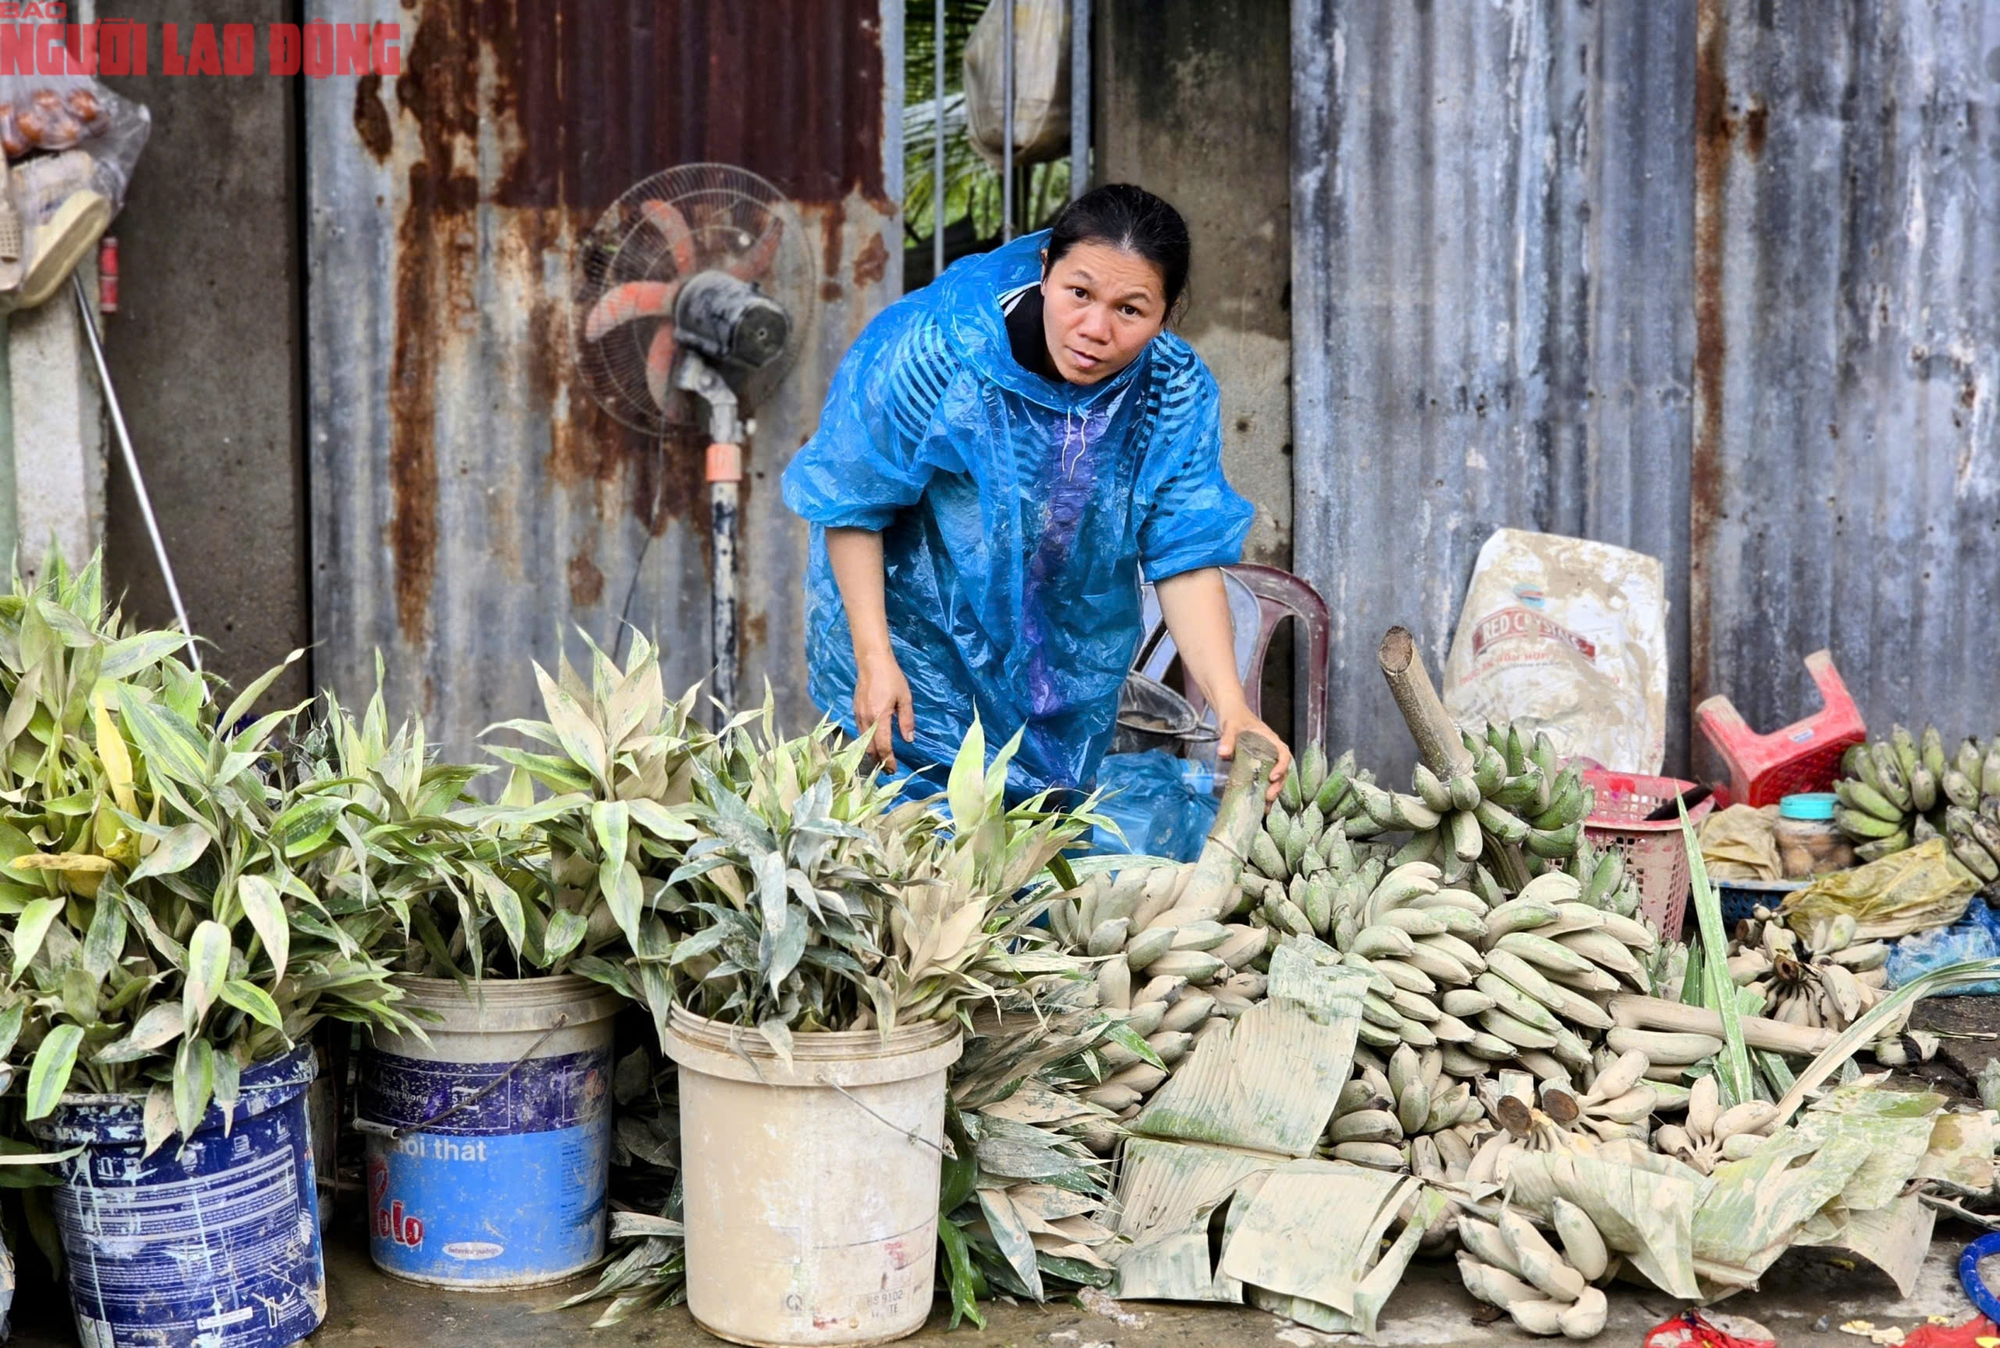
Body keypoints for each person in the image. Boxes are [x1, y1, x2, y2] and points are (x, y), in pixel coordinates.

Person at [782, 183, 1292, 803]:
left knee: (1039, 850)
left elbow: (1182, 555)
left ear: (1168, 312)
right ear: (1046, 269)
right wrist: (875, 658)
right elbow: (855, 503)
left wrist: (1233, 706)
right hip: (912, 660)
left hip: (1059, 678)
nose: (1095, 329)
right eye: (1080, 293)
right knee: (910, 846)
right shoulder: (939, 354)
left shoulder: (1169, 392)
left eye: (1130, 310)